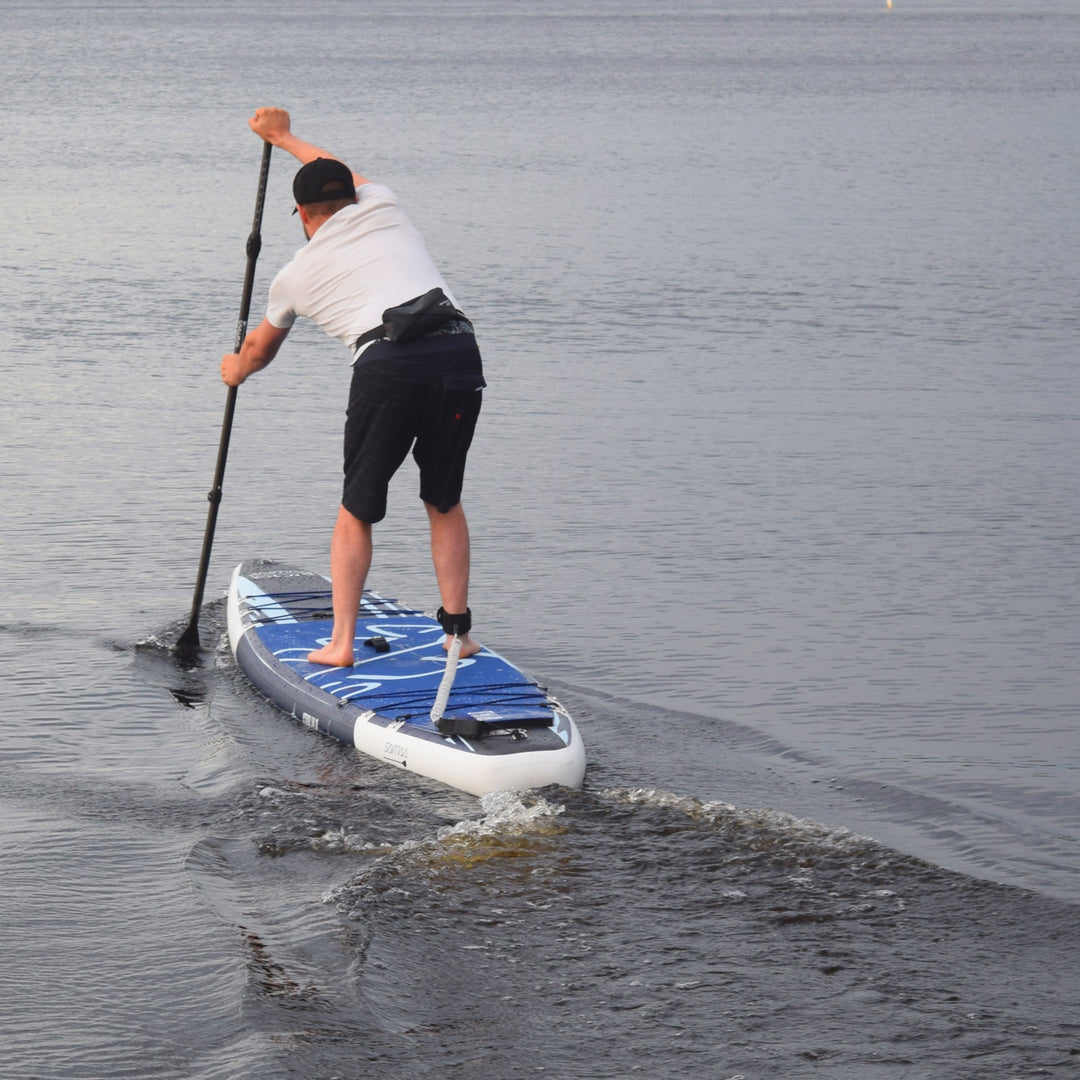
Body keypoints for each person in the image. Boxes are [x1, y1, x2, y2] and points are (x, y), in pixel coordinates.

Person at [221, 107, 483, 667]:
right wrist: (282, 136)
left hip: (389, 364)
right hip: (460, 349)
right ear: (353, 197)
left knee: (356, 509)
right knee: (444, 498)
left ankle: (341, 645)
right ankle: (457, 633)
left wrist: (234, 370)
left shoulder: (294, 275)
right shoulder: (384, 205)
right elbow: (331, 167)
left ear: (301, 215)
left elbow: (259, 352)